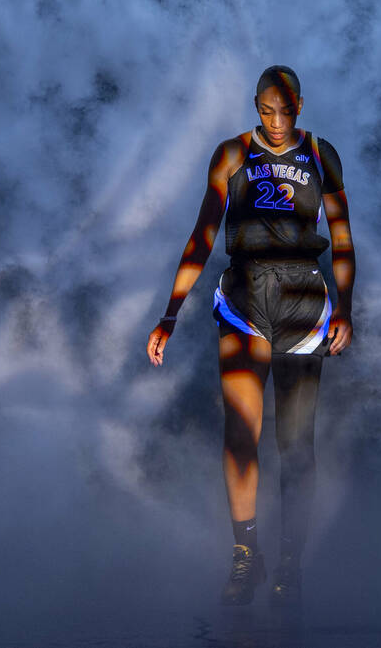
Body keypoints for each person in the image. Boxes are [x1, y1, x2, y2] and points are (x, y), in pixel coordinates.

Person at [145, 65, 355, 607]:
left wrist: (347, 310)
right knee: (241, 434)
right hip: (244, 295)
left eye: (286, 111)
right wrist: (169, 314)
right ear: (255, 108)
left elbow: (343, 239)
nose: (277, 121)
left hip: (304, 301)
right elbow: (202, 235)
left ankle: (290, 561)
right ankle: (246, 555)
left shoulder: (321, 155)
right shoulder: (232, 154)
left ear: (301, 107)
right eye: (267, 111)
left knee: (295, 446)